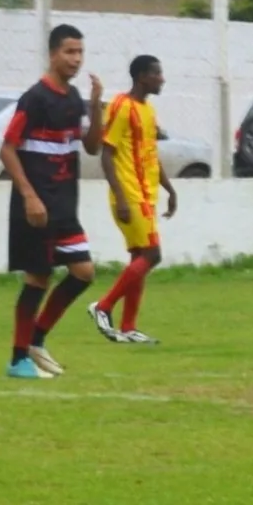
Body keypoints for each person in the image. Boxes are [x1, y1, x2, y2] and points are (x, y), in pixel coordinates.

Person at [0, 23, 106, 379]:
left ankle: (36, 340)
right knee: (38, 278)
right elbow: (7, 148)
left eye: (80, 53)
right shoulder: (35, 98)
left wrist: (95, 107)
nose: (75, 59)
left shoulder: (73, 98)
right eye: (69, 52)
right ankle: (18, 360)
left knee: (83, 272)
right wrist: (29, 196)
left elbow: (91, 147)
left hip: (64, 205)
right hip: (38, 205)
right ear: (52, 54)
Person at [92, 54, 177, 345]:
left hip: (146, 194)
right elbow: (106, 153)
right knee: (153, 255)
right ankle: (103, 306)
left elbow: (151, 155)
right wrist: (120, 196)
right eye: (157, 73)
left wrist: (169, 189)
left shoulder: (148, 111)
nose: (161, 78)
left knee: (139, 258)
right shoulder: (121, 106)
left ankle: (128, 327)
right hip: (129, 194)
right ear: (142, 76)